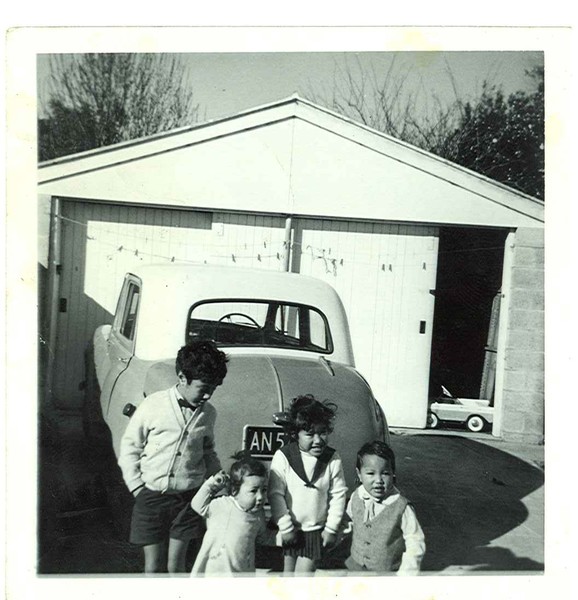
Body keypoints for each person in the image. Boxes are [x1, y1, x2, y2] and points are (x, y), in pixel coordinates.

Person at [118, 340, 228, 574]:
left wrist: (218, 478)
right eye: (203, 387)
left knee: (177, 566)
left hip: (187, 501)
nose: (208, 395)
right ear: (182, 377)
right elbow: (130, 447)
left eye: (213, 389)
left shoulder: (209, 414)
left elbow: (208, 452)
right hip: (151, 498)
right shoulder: (153, 405)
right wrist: (137, 487)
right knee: (154, 566)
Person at [268, 394, 348, 575]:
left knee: (303, 577)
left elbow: (338, 495)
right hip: (289, 528)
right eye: (310, 434)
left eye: (323, 432)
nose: (318, 440)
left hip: (314, 531)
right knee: (288, 575)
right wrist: (286, 527)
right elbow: (275, 494)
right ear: (295, 434)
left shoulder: (332, 459)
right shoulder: (284, 456)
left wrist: (331, 528)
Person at [344, 440, 425, 575]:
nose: (379, 480)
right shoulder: (357, 496)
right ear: (359, 474)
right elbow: (349, 522)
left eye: (385, 473)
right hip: (355, 567)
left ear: (393, 473)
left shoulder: (401, 507)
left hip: (386, 573)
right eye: (371, 473)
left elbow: (415, 541)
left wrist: (406, 574)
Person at [190, 452, 268, 575]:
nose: (260, 497)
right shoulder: (221, 505)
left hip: (240, 573)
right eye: (253, 491)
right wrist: (213, 484)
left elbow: (262, 538)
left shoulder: (258, 515)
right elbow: (197, 505)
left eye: (264, 490)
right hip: (212, 571)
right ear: (234, 490)